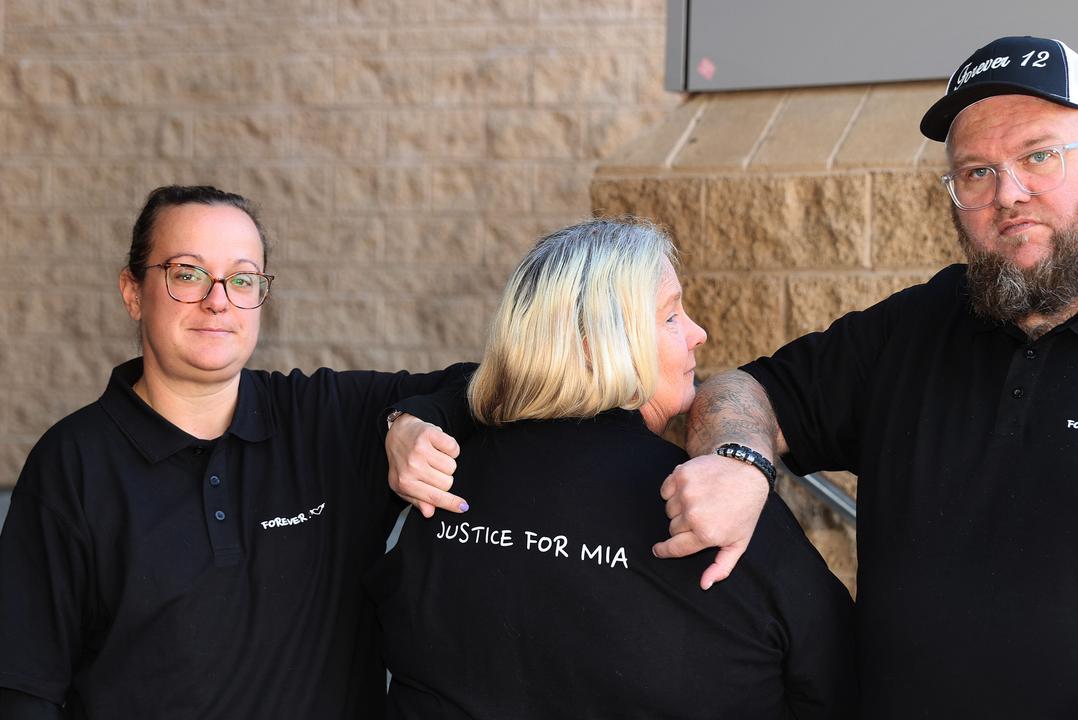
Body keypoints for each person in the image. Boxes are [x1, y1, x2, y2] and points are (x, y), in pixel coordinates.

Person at [638, 36, 1078, 719]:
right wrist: (737, 459)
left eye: (1040, 156)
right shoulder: (915, 328)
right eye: (976, 172)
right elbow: (744, 390)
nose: (1009, 194)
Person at [0, 185, 469, 719]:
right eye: (188, 274)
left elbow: (485, 383)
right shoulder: (73, 464)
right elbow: (23, 691)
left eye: (242, 279)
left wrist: (409, 419)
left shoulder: (326, 422)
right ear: (133, 291)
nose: (218, 299)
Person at [370, 218, 856, 719]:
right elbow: (837, 680)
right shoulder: (726, 513)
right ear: (595, 343)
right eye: (671, 317)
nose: (698, 333)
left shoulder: (436, 490)